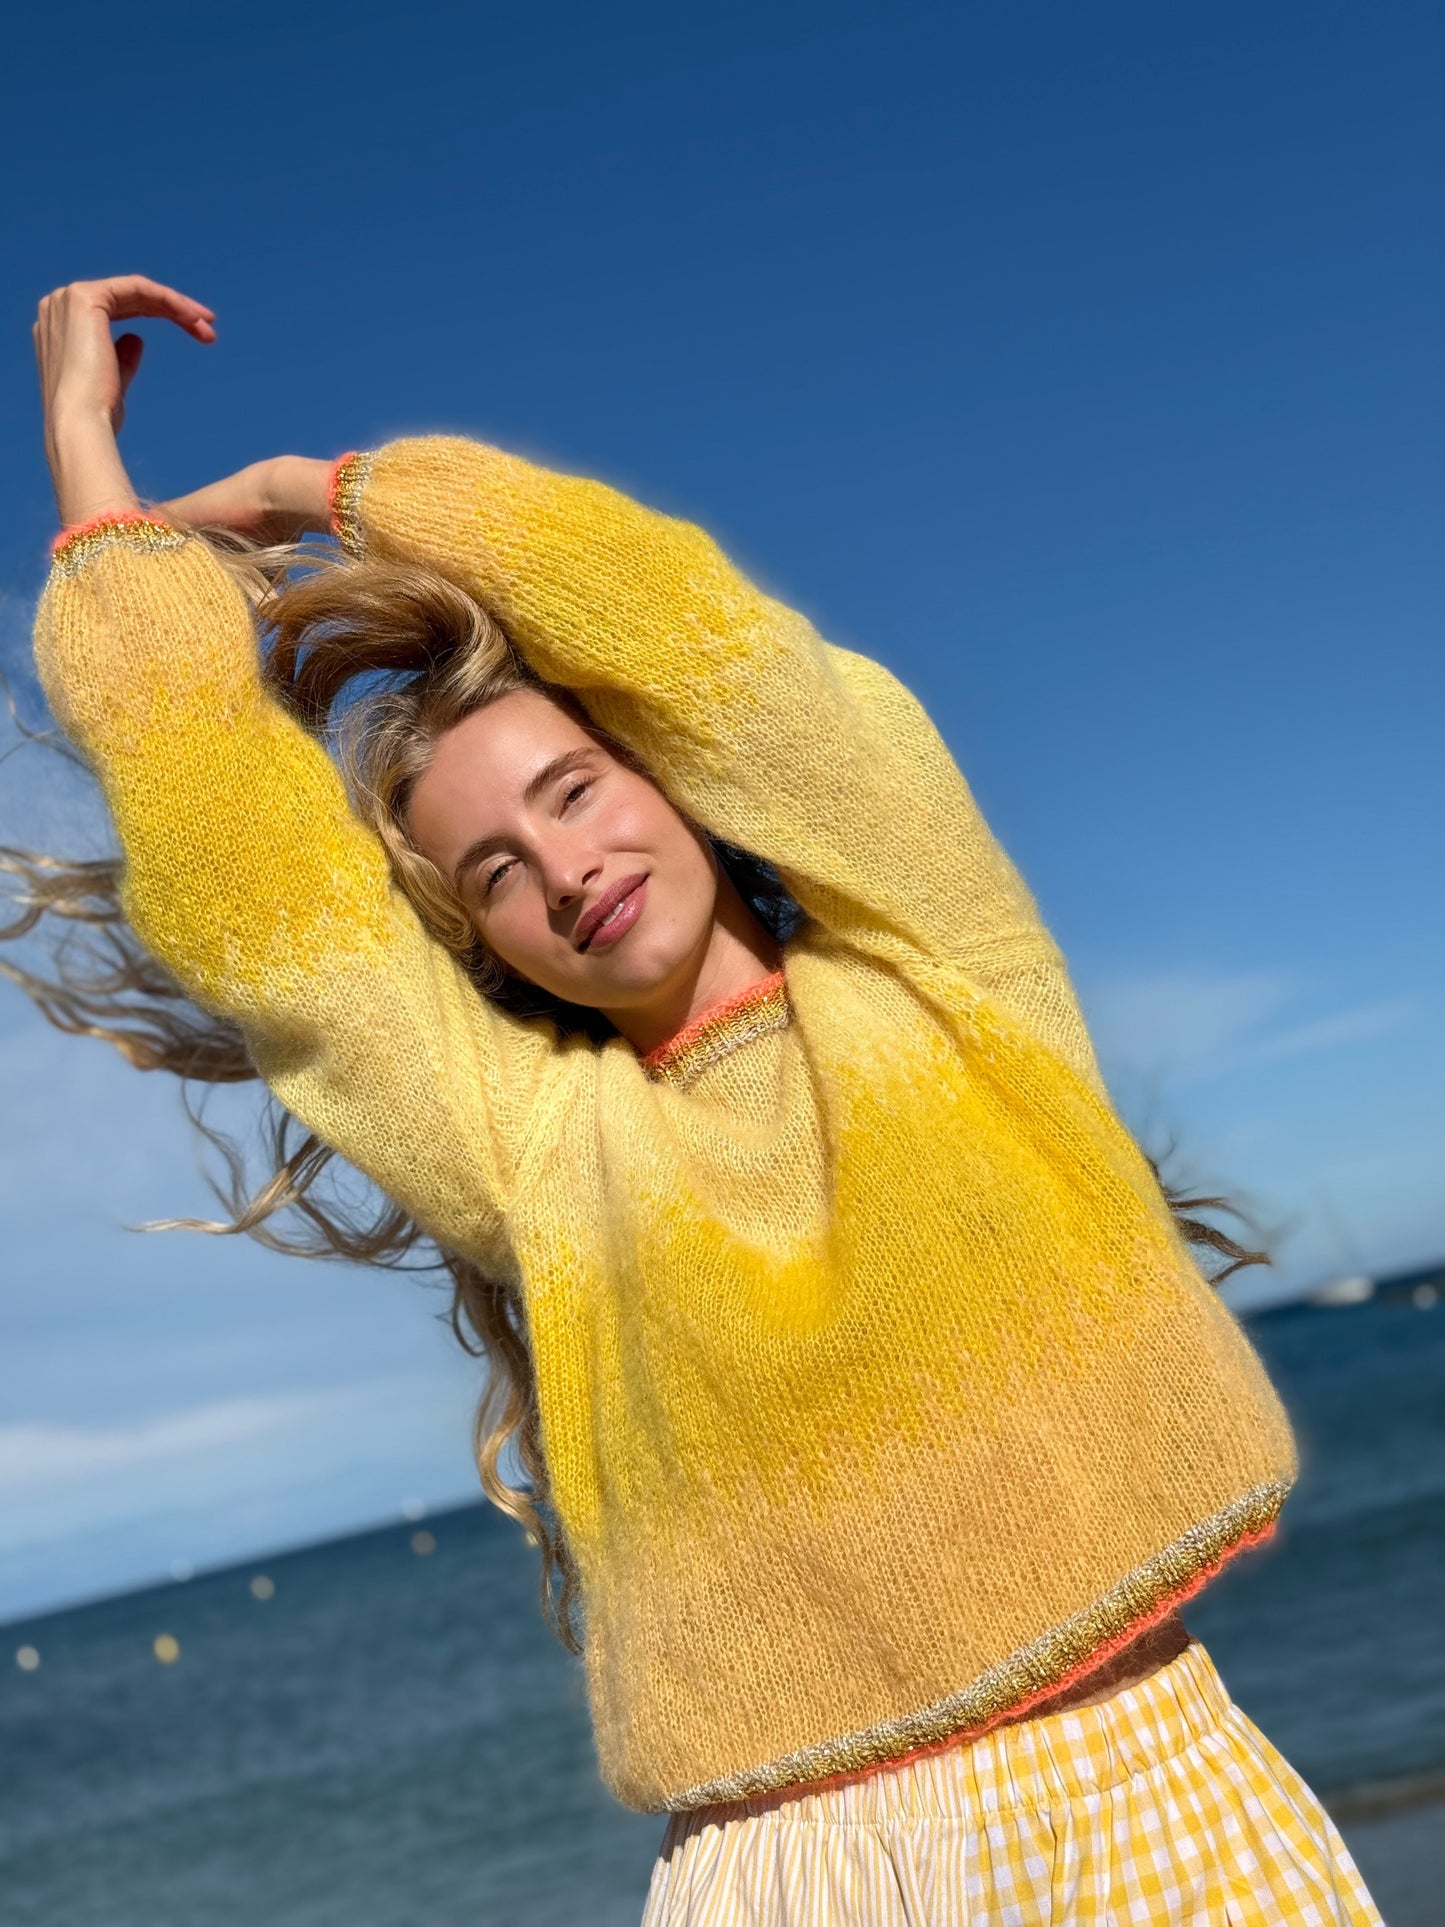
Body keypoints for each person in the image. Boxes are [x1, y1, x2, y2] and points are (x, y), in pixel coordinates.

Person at [17, 274, 1381, 1924]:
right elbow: (266, 915)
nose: (565, 866)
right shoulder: (536, 1144)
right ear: (489, 943)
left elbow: (696, 637)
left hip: (1136, 1791)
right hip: (784, 1865)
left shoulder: (938, 964)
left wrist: (325, 492)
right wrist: (94, 478)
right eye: (496, 871)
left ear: (678, 777)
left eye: (576, 789)